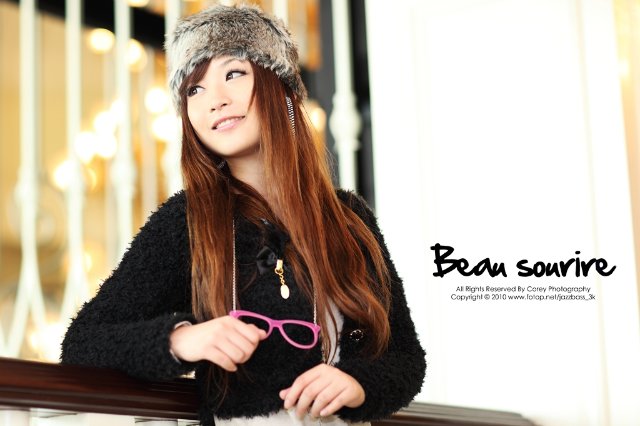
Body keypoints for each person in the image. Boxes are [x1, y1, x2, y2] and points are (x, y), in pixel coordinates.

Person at [60, 4, 426, 426]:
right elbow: (83, 343)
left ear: (279, 87)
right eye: (194, 90)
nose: (215, 100)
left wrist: (358, 383)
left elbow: (405, 358)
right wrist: (182, 339)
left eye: (233, 74)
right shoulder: (188, 221)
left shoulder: (349, 219)